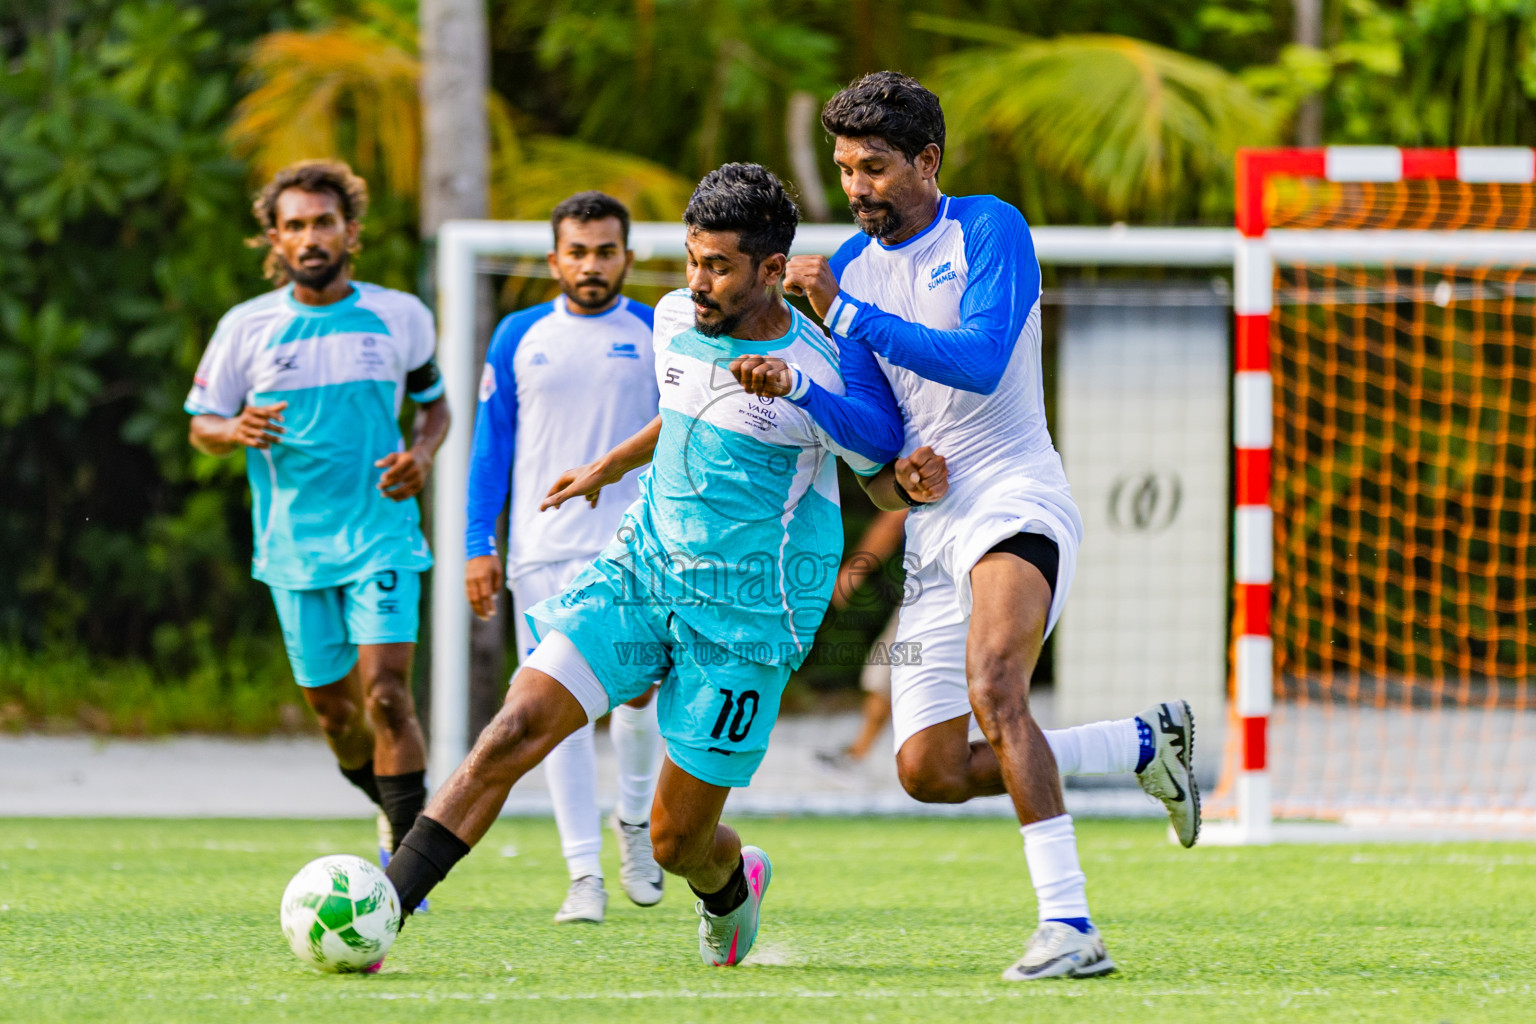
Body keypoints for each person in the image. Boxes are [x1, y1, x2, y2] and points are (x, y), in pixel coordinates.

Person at [382, 163, 910, 967]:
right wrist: (605, 466)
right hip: (641, 571)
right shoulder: (672, 317)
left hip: (746, 621)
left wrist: (803, 395)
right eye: (693, 259)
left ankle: (731, 884)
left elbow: (878, 467)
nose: (697, 282)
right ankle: (386, 907)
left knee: (676, 842)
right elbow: (683, 410)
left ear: (772, 270)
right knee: (512, 730)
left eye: (720, 266)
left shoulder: (828, 362)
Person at [773, 73, 1200, 980]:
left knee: (996, 682)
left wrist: (845, 314)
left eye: (875, 167)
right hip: (933, 530)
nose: (857, 188)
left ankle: (1071, 927)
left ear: (927, 162)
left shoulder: (990, 228)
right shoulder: (849, 267)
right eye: (845, 169)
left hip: (1016, 496)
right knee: (925, 770)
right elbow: (881, 429)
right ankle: (1141, 744)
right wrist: (882, 461)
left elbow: (977, 359)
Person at [186, 159, 447, 871]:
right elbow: (200, 425)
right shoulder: (246, 329)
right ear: (274, 239)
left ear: (350, 232)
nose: (309, 237)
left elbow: (435, 406)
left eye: (322, 222)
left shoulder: (400, 316)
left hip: (383, 535)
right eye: (294, 225)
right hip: (294, 550)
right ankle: (386, 803)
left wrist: (421, 456)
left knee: (389, 695)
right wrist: (233, 428)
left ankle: (406, 872)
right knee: (339, 718)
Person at [463, 191, 666, 924]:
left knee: (639, 699)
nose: (590, 265)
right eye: (576, 252)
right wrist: (476, 543)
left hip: (636, 550)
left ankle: (636, 826)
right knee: (557, 713)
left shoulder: (655, 330)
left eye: (604, 251)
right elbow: (492, 448)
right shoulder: (518, 335)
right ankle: (584, 873)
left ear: (627, 258)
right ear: (554, 259)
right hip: (542, 554)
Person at [815, 509, 905, 768]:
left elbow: (895, 517)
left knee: (885, 669)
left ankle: (859, 756)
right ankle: (859, 753)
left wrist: (854, 570)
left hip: (943, 589)